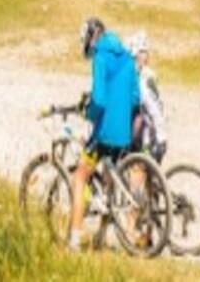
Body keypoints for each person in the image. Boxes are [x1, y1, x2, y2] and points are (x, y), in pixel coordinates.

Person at [68, 16, 140, 251]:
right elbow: (135, 98)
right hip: (124, 135)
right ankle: (101, 238)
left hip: (104, 134)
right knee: (110, 182)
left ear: (92, 37)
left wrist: (89, 113)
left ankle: (74, 240)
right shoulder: (128, 57)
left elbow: (99, 99)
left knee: (79, 177)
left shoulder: (100, 58)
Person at [133, 30, 168, 160]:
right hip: (152, 134)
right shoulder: (146, 74)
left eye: (144, 52)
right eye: (141, 52)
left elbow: (153, 109)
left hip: (150, 138)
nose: (144, 56)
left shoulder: (144, 78)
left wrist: (160, 136)